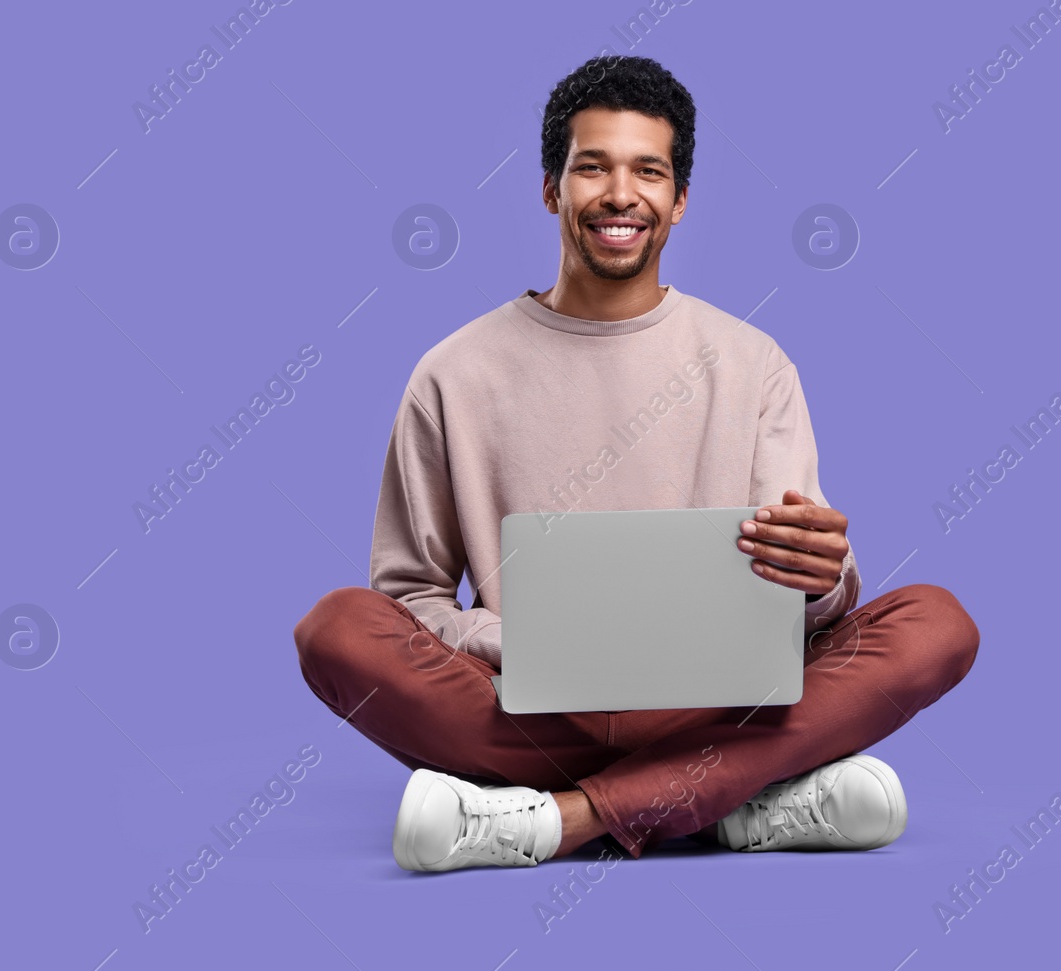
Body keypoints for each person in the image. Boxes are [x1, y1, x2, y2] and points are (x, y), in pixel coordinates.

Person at [294, 55, 980, 873]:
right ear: (552, 188)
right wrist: (517, 640)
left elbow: (805, 601)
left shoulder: (754, 363)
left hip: (715, 700)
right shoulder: (452, 373)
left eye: (648, 171)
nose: (621, 194)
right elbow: (408, 599)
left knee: (935, 620)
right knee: (336, 629)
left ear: (680, 200)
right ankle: (730, 801)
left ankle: (560, 818)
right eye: (593, 167)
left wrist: (823, 578)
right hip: (536, 708)